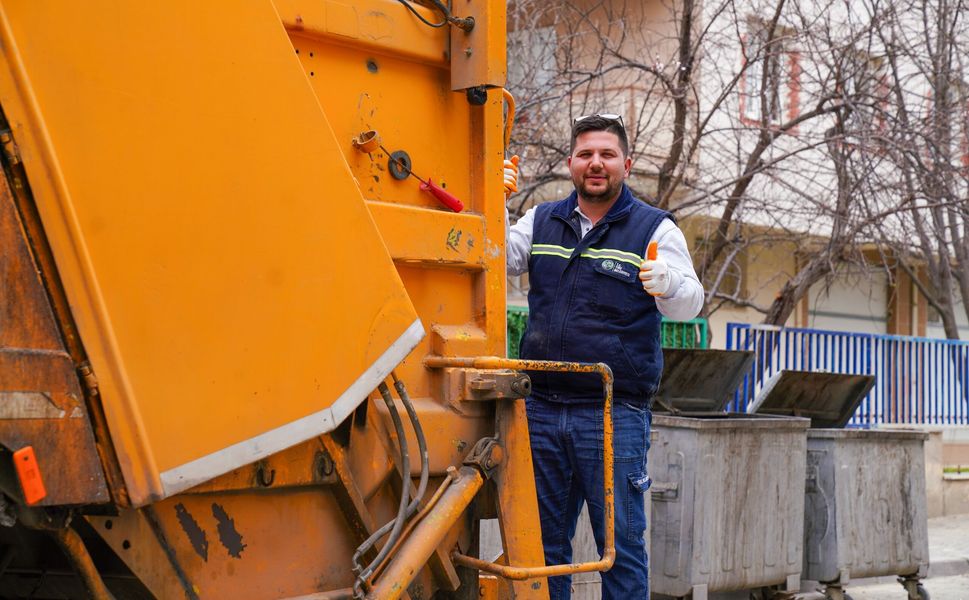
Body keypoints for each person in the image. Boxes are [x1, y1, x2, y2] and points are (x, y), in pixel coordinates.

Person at [503, 114, 703, 599]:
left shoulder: (654, 229)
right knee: (543, 549)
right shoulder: (541, 220)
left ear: (626, 165)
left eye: (607, 155)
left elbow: (690, 303)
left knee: (620, 549)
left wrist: (669, 283)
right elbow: (497, 258)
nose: (596, 163)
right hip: (542, 409)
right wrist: (493, 203)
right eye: (586, 154)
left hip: (612, 414)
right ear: (571, 162)